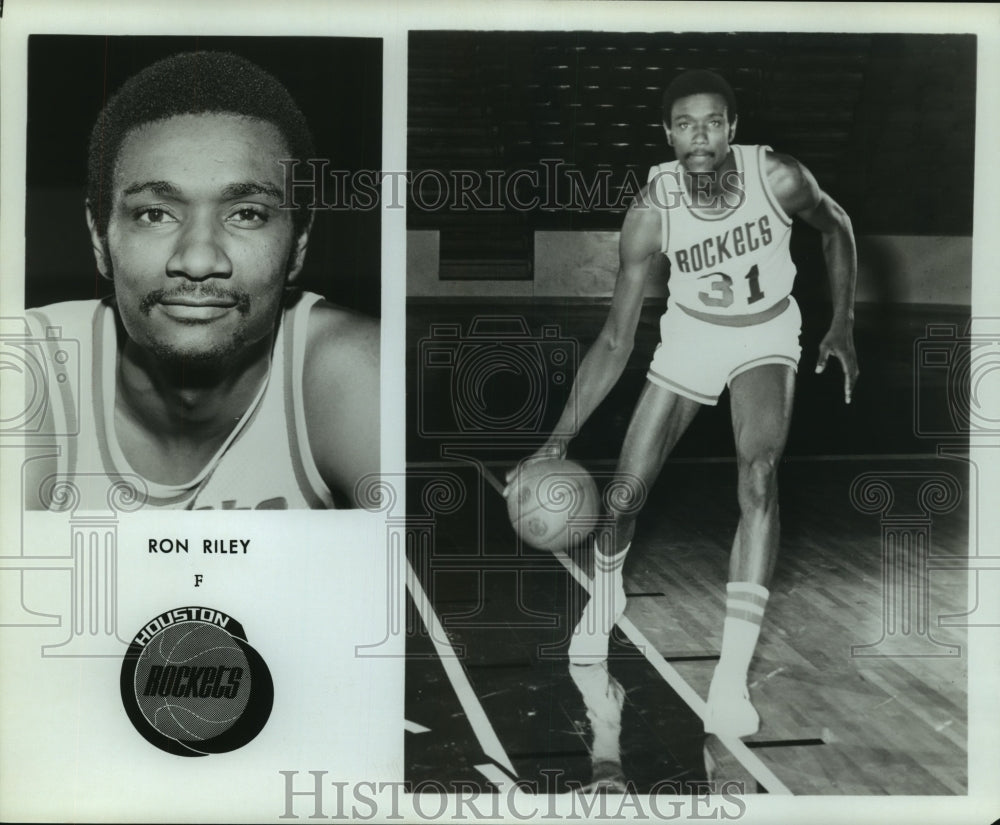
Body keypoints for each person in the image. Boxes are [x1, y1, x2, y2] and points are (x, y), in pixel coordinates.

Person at [509, 70, 858, 737]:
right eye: (686, 124)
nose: (701, 135)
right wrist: (557, 438)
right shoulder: (651, 209)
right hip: (691, 336)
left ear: (732, 128)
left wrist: (842, 320)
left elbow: (836, 225)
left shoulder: (779, 177)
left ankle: (729, 676)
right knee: (623, 497)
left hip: (767, 333)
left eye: (714, 122)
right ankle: (605, 591)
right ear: (667, 134)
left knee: (759, 476)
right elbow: (615, 340)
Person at [23, 51, 379, 510]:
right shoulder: (29, 370)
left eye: (247, 214)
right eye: (155, 214)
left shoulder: (349, 370)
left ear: (299, 245)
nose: (197, 260)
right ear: (99, 236)